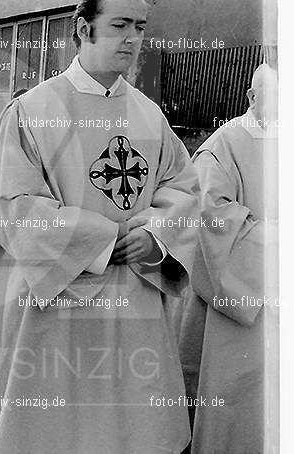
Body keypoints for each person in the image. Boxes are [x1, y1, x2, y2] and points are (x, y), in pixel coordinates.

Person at [0, 0, 200, 453]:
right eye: (119, 25)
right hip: (58, 307)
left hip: (131, 309)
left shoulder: (149, 115)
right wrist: (104, 239)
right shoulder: (33, 111)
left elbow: (184, 190)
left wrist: (156, 233)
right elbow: (15, 208)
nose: (132, 38)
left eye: (139, 26)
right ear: (83, 28)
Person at [177, 64, 278, 454]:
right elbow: (209, 219)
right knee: (239, 409)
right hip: (239, 309)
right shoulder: (224, 145)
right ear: (252, 97)